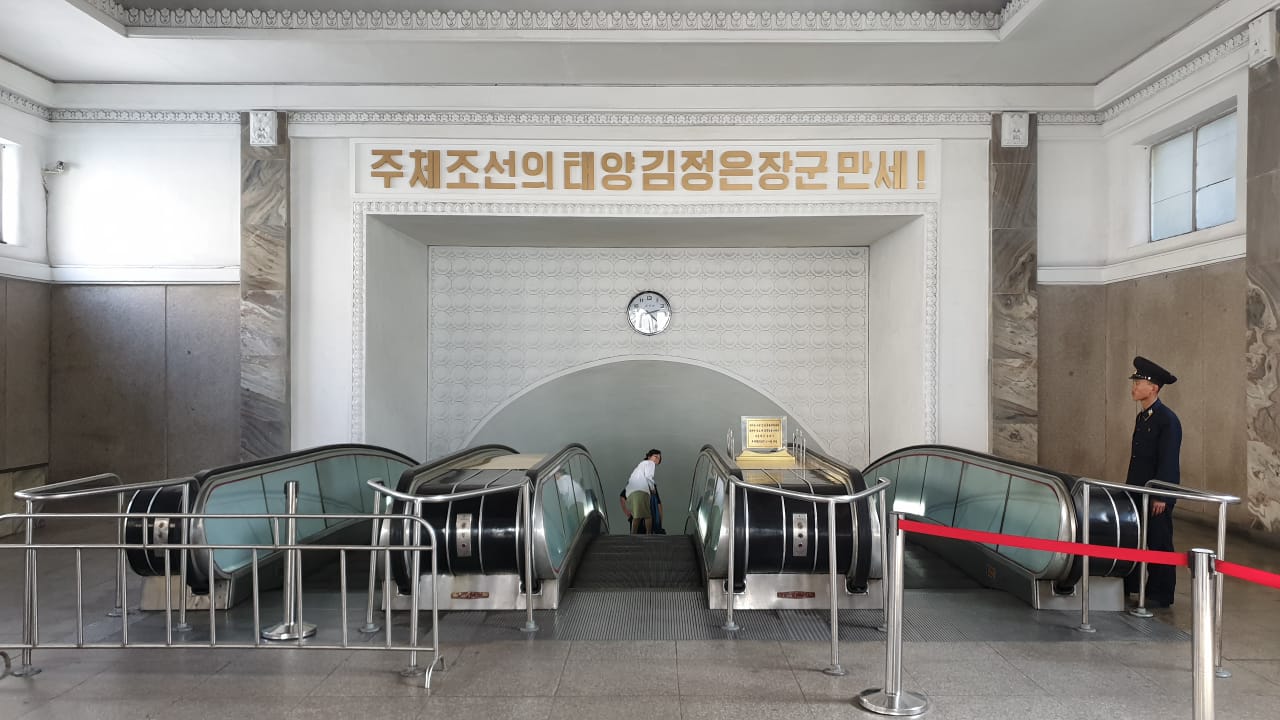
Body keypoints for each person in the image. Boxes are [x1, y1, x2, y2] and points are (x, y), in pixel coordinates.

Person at [1123, 356, 1183, 609]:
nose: (1134, 387)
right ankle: (1132, 584)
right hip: (1137, 489)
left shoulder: (1167, 420)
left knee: (1159, 541)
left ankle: (1161, 593)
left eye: (1138, 383)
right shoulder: (1143, 417)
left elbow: (1168, 460)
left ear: (1153, 388)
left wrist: (1162, 495)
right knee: (1135, 537)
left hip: (1155, 494)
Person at [621, 449, 662, 534]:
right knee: (648, 516)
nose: (657, 459)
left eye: (659, 458)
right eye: (655, 456)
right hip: (641, 491)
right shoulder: (650, 463)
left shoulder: (640, 466)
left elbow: (623, 493)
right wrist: (652, 489)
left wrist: (628, 513)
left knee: (637, 516)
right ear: (649, 457)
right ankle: (648, 535)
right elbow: (648, 477)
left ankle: (633, 535)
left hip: (631, 493)